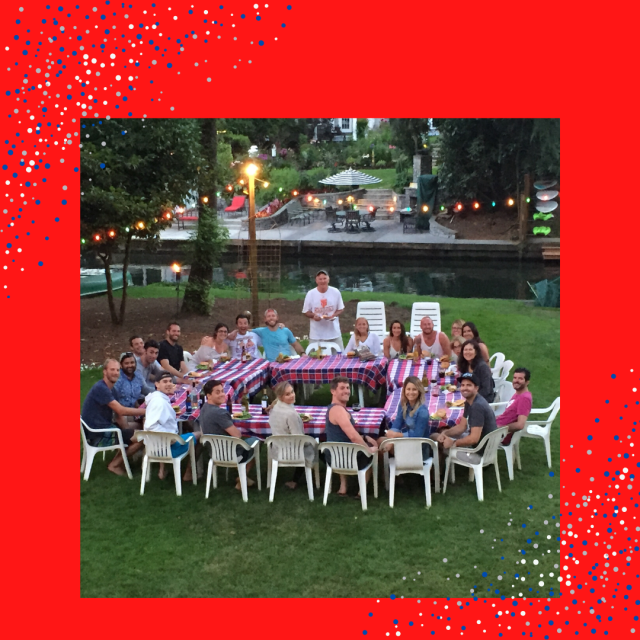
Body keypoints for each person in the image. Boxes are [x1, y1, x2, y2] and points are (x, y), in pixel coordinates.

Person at [81, 358, 146, 476]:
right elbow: (121, 410)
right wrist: (147, 411)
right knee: (144, 437)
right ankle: (114, 464)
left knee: (138, 428)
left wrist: (127, 432)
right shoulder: (101, 388)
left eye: (117, 370)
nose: (116, 373)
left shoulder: (112, 389)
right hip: (97, 434)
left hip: (103, 427)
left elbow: (119, 416)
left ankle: (125, 456)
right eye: (112, 370)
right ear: (104, 371)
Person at [197, 379, 259, 491]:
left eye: (222, 391)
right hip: (230, 453)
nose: (222, 394)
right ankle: (241, 480)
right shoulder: (220, 413)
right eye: (217, 392)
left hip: (213, 452)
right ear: (208, 396)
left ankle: (243, 478)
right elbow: (237, 435)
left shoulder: (204, 408)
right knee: (256, 441)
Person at [324, 376, 378, 497]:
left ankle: (343, 487)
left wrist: (364, 437)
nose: (346, 391)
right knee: (373, 448)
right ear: (333, 391)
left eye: (348, 388)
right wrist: (368, 449)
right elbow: (353, 437)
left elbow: (343, 434)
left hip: (334, 456)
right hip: (346, 458)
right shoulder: (338, 411)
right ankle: (361, 491)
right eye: (342, 388)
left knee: (341, 443)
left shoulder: (332, 408)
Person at [143, 371, 201, 481]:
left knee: (185, 429)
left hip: (154, 447)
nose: (169, 384)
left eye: (170, 381)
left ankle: (163, 470)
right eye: (165, 382)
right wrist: (171, 438)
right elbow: (151, 426)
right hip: (167, 449)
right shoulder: (159, 403)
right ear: (157, 384)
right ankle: (189, 473)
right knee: (200, 435)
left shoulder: (155, 398)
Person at [433, 372, 497, 465]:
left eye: (469, 385)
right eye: (463, 385)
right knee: (439, 433)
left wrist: (453, 443)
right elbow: (461, 427)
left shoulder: (477, 406)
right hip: (482, 447)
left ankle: (437, 473)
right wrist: (444, 433)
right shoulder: (470, 401)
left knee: (438, 442)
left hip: (477, 454)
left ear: (476, 388)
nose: (465, 388)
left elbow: (473, 439)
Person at [268, 382, 315, 490]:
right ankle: (332, 468)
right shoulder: (291, 414)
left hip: (277, 449)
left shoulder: (274, 408)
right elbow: (299, 438)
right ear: (281, 397)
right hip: (291, 452)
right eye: (288, 394)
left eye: (292, 392)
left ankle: (295, 480)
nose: (292, 395)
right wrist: (311, 441)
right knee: (314, 446)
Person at [378, 376, 432, 460]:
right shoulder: (403, 404)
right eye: (408, 389)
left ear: (419, 391)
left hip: (419, 448)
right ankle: (385, 467)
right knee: (381, 441)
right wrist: (391, 438)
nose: (411, 392)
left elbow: (417, 436)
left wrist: (396, 436)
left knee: (383, 442)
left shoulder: (422, 411)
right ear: (404, 390)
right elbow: (397, 424)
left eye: (414, 389)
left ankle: (396, 464)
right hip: (407, 442)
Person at [302, 270, 345, 350]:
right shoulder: (311, 294)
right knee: (314, 355)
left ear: (328, 279)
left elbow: (341, 308)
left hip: (334, 333)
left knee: (339, 355)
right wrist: (313, 315)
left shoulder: (335, 292)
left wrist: (333, 315)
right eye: (320, 279)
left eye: (324, 278)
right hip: (316, 335)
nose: (322, 281)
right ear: (316, 280)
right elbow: (306, 311)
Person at [497, 368, 532, 445]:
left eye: (520, 379)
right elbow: (508, 415)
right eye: (515, 378)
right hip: (496, 427)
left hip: (498, 435)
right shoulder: (518, 394)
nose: (516, 381)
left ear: (527, 382)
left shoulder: (524, 398)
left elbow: (520, 425)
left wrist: (499, 429)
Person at [113, 353, 147, 429]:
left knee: (151, 419)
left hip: (136, 412)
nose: (130, 365)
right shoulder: (117, 378)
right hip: (121, 413)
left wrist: (160, 390)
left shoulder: (138, 375)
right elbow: (112, 398)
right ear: (121, 365)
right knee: (146, 424)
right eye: (126, 363)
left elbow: (146, 390)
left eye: (132, 362)